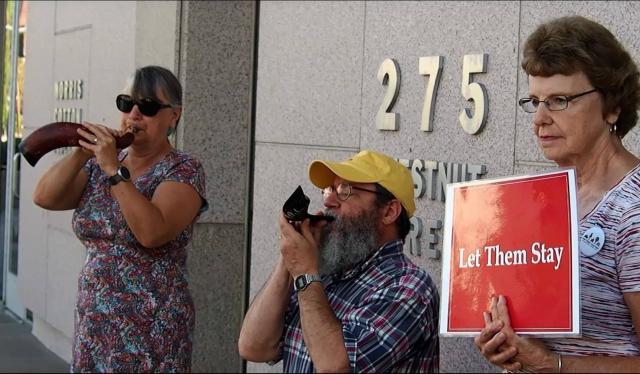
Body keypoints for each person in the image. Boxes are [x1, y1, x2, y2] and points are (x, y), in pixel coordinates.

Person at [474, 16, 640, 372]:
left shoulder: (633, 209)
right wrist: (506, 343)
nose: (539, 119)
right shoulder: (544, 197)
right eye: (535, 101)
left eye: (560, 100)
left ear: (612, 105)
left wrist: (556, 365)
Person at [32, 65, 208, 372]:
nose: (135, 115)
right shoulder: (102, 162)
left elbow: (152, 232)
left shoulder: (183, 169)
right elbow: (45, 197)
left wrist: (114, 171)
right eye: (127, 104)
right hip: (95, 320)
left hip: (152, 326)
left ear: (174, 116)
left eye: (149, 107)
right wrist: (83, 153)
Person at [238, 150, 439, 372]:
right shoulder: (323, 275)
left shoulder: (409, 288)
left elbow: (335, 366)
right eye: (330, 189)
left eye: (346, 190)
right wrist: (289, 261)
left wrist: (304, 272)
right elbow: (254, 347)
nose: (329, 201)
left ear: (389, 211)